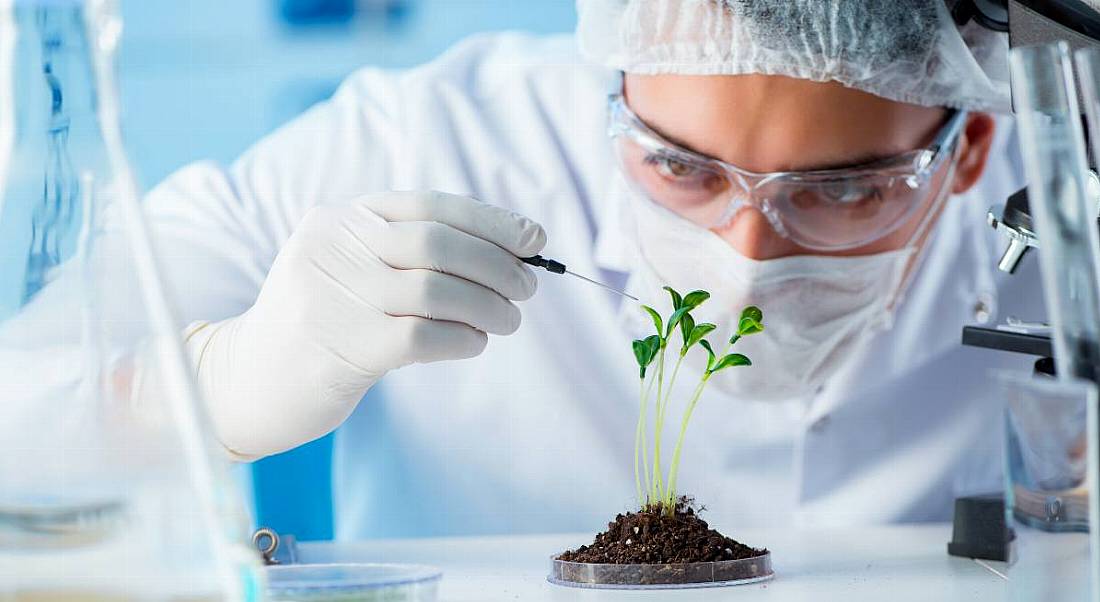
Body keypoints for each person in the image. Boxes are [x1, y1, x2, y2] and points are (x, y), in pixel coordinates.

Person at [132, 1, 1041, 537]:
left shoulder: (1061, 195)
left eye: (844, 192)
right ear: (614, 93)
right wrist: (216, 380)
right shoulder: (426, 139)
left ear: (968, 153)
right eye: (679, 167)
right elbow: (33, 404)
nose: (746, 260)